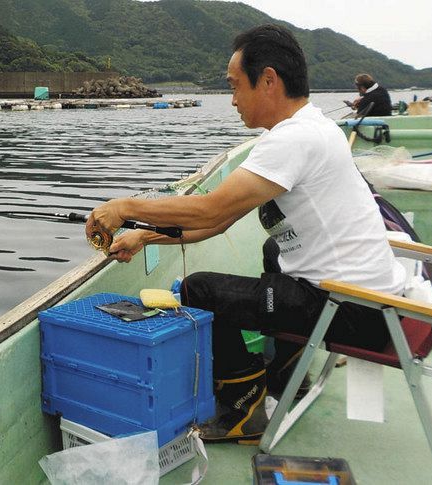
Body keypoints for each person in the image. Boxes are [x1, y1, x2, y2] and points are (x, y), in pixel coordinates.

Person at [85, 24, 405, 444]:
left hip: (352, 311)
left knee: (199, 289)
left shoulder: (292, 141)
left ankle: (244, 403)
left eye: (236, 86)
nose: (233, 99)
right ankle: (292, 371)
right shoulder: (312, 127)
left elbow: (211, 207)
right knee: (276, 249)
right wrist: (145, 237)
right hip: (370, 298)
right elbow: (219, 221)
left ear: (268, 80)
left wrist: (124, 208)